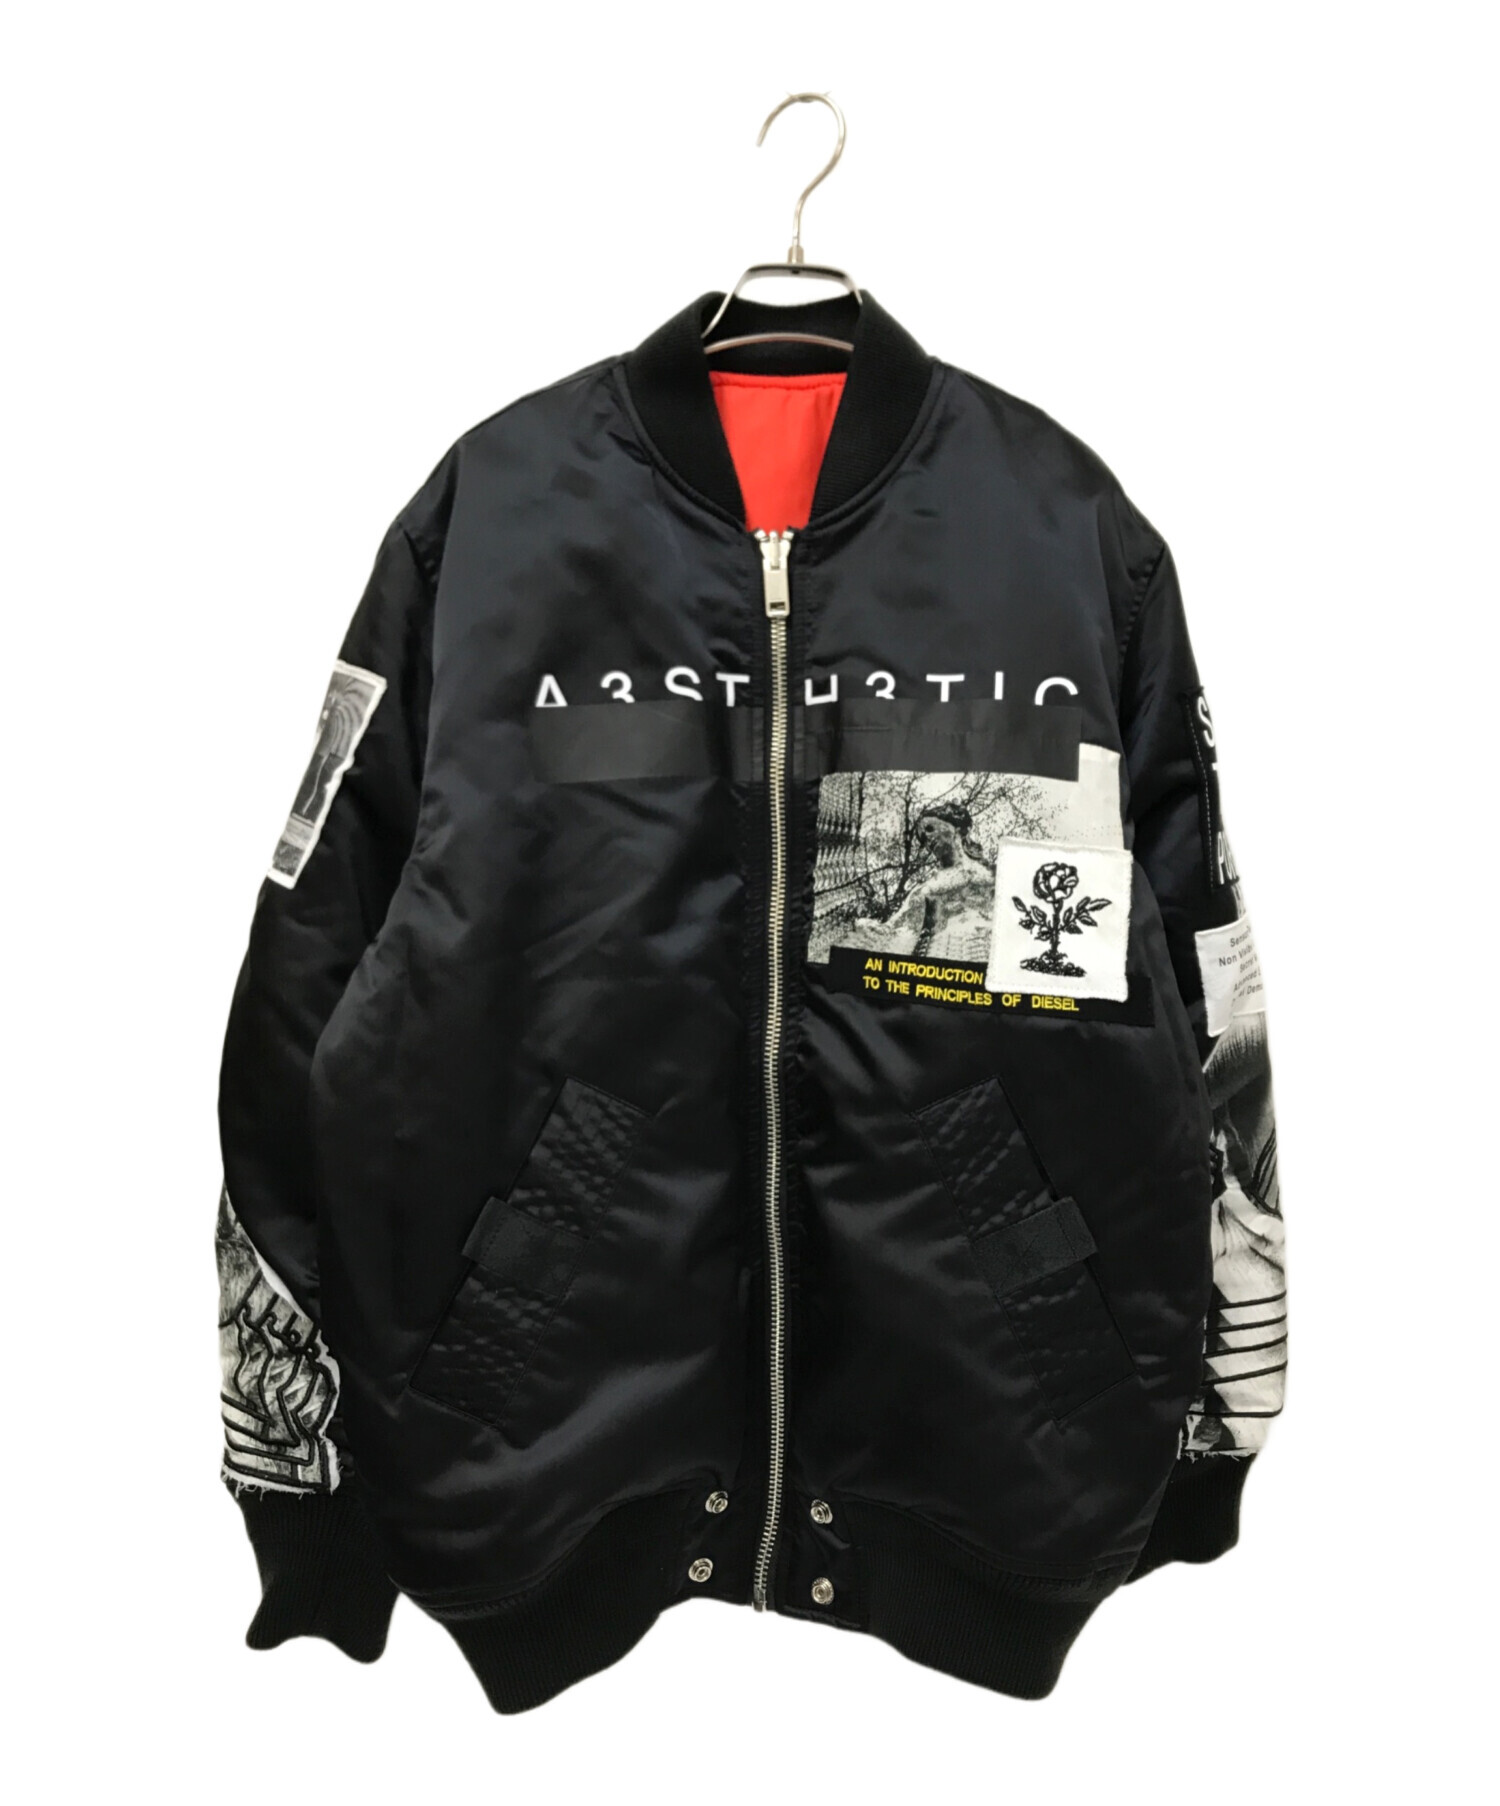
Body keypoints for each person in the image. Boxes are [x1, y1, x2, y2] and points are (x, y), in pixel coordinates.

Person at [853, 800, 994, 961]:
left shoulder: (993, 872)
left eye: (930, 829)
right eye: (923, 839)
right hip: (948, 956)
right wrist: (866, 926)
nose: (927, 839)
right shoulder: (924, 890)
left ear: (956, 827)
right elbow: (890, 929)